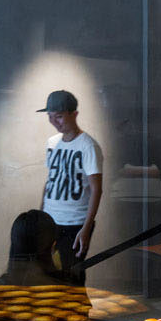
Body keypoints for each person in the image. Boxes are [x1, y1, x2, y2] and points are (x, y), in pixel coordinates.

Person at [40, 90, 103, 282]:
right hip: (51, 219)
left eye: (58, 116)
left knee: (72, 274)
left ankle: (78, 311)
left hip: (75, 222)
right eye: (50, 116)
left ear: (74, 114)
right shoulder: (52, 142)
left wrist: (85, 228)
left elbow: (96, 189)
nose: (53, 122)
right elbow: (50, 179)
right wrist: (41, 215)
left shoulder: (88, 146)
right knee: (49, 273)